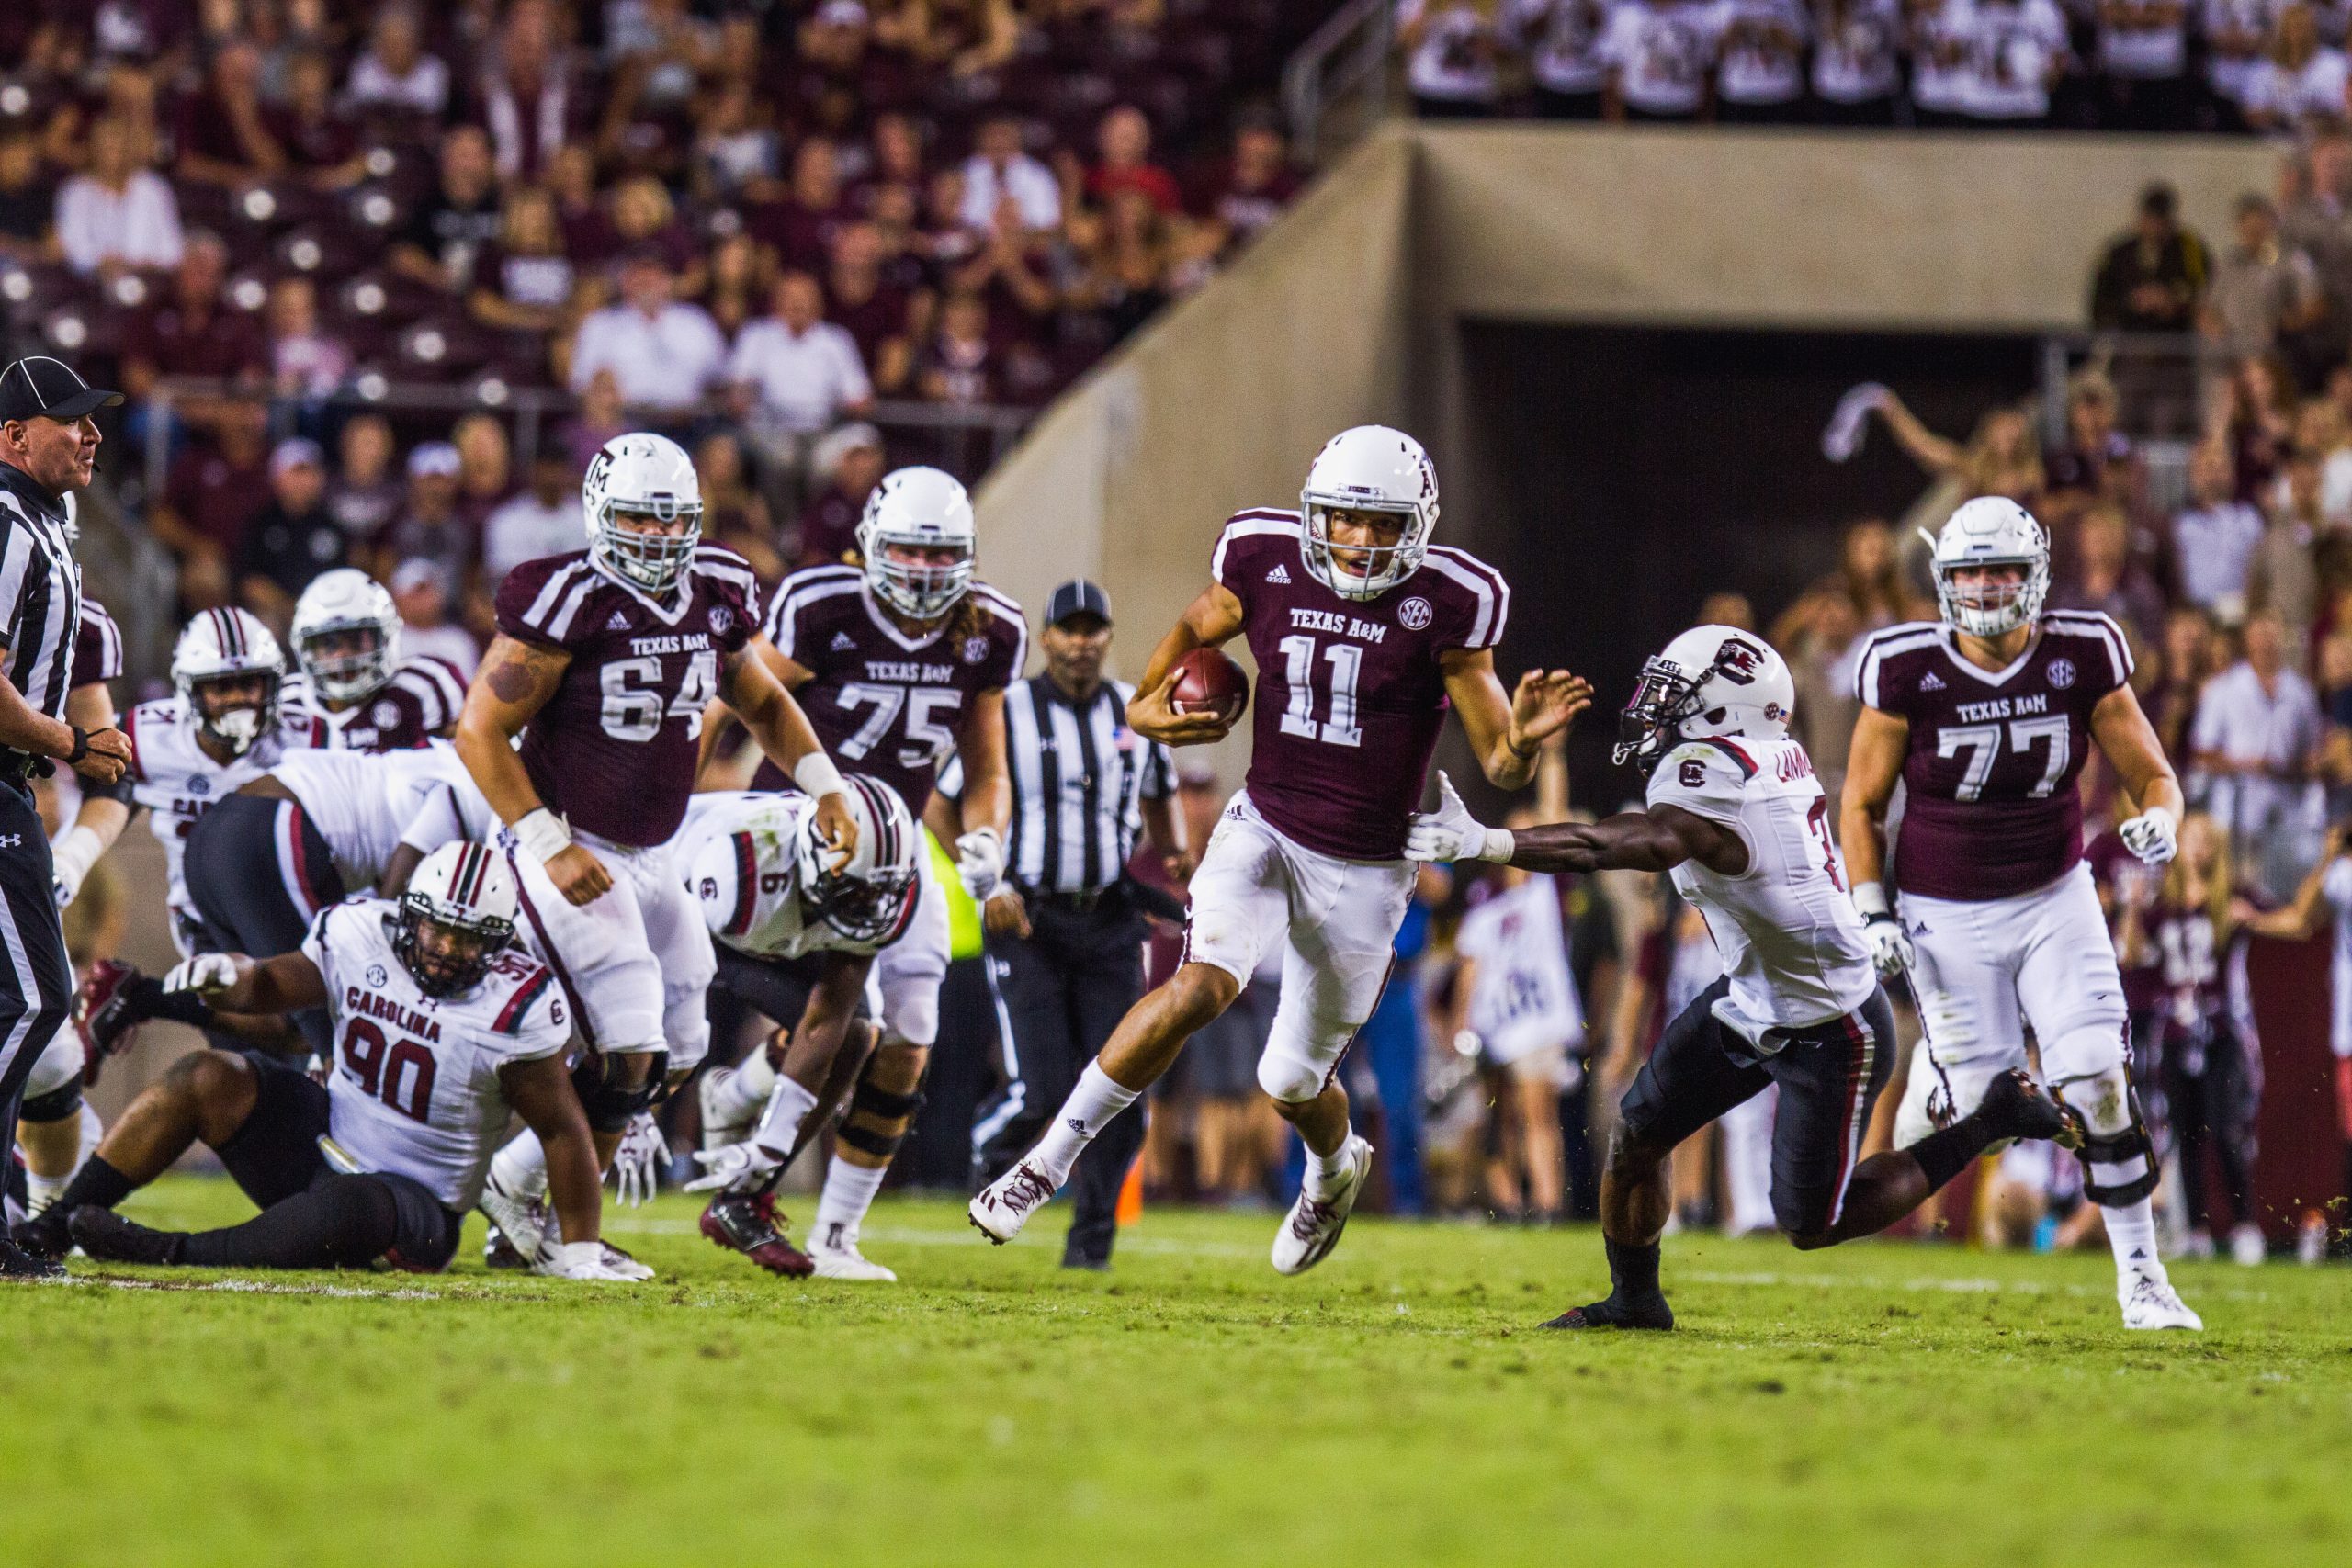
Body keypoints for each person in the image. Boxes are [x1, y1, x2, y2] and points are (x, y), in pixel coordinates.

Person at [970, 425, 1584, 1274]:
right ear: (1314, 514)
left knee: (1290, 1082)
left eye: (1383, 525)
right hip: (1262, 827)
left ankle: (1334, 1170)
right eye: (1344, 520)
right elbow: (1194, 626)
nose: (1361, 542)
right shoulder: (1262, 555)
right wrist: (1146, 704)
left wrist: (1526, 738)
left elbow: (1499, 759)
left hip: (1369, 867)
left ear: (1421, 525)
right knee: (1197, 986)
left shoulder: (1450, 601)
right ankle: (1047, 1163)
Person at [1407, 627, 2079, 1327]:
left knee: (1814, 1221)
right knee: (1638, 1130)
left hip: (1832, 1021)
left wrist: (1491, 841)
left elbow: (1630, 843)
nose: (1654, 710)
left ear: (1728, 709)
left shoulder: (1725, 781)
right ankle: (1636, 1298)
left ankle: (1992, 1116)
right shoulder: (1756, 755)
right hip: (1754, 992)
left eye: (1675, 696)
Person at [456, 432, 856, 1256]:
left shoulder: (717, 586)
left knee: (683, 1039)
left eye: (673, 522)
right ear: (603, 515)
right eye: (639, 520)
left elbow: (765, 703)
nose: (657, 539)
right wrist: (547, 840)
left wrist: (825, 784)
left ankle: (516, 1188)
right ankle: (578, 1240)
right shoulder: (567, 596)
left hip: (653, 851)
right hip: (566, 840)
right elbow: (479, 729)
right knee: (633, 1039)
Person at [1843, 497, 2201, 1330]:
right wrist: (1874, 910)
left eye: (2001, 569)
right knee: (1983, 1121)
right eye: (1969, 571)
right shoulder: (1903, 666)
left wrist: (2164, 820)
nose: (1986, 586)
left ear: (2036, 572)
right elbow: (1858, 804)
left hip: (2052, 894)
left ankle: (2143, 1278)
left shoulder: (2082, 651)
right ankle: (1942, 1078)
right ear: (1943, 579)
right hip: (1945, 912)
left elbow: (2155, 776)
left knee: (2096, 1074)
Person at [19, 844, 639, 1280]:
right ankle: (57, 1222)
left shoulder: (516, 1005)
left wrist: (579, 1249)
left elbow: (561, 1127)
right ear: (409, 916)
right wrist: (227, 975)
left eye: (470, 938)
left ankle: (166, 1252)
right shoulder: (361, 932)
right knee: (208, 1077)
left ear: (498, 944)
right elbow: (271, 987)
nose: (449, 949)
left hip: (415, 1207)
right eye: (437, 930)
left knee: (354, 1205)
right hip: (324, 1137)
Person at [713, 466, 1022, 1277]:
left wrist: (986, 836)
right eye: (908, 553)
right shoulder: (824, 605)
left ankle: (835, 1231)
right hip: (795, 829)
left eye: (939, 555)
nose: (922, 572)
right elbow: (741, 694)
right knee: (846, 1015)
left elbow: (987, 764)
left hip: (897, 843)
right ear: (869, 550)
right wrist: (687, 787)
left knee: (910, 1031)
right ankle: (742, 1113)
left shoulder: (988, 629)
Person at [965, 580, 1188, 1271]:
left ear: (1108, 637)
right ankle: (987, 1158)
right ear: (1047, 635)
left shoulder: (1134, 709)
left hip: (1110, 920)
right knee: (1043, 1086)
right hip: (1029, 916)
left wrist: (1174, 850)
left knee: (1122, 1092)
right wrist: (989, 880)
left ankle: (1089, 1248)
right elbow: (954, 802)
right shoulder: (1008, 711)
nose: (1082, 642)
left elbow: (1160, 790)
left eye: (1095, 629)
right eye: (1070, 629)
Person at [675, 777, 925, 1277]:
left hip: (776, 913)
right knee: (650, 1052)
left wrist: (769, 1147)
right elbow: (671, 959)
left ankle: (742, 1194)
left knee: (857, 1036)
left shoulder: (887, 892)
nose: (867, 905)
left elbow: (831, 1013)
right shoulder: (742, 868)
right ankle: (527, 1187)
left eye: (879, 890)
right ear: (814, 855)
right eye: (855, 888)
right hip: (691, 910)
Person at [0, 356, 133, 1279]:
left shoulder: (45, 532)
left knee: (35, 1007)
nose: (90, 434)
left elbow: (104, 751)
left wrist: (85, 752)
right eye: (69, 420)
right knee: (38, 1001)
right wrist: (67, 745)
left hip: (17, 784)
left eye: (95, 420)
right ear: (13, 437)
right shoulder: (9, 526)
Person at [2115, 812, 2270, 1265]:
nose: (2199, 848)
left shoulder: (2231, 899)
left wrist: (2255, 918)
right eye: (2192, 839)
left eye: (2206, 839)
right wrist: (2133, 907)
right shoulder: (2162, 903)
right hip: (2176, 1032)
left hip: (2220, 1029)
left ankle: (2244, 1224)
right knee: (2187, 1134)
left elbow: (2290, 919)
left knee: (2226, 1129)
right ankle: (2197, 1228)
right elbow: (2130, 954)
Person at [122, 609, 302, 962]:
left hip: (287, 909)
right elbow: (97, 802)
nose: (237, 698)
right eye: (221, 686)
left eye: (249, 684)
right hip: (202, 917)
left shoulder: (305, 737)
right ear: (190, 690)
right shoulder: (145, 738)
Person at [277, 569, 468, 751]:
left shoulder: (426, 687)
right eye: (328, 644)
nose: (341, 655)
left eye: (356, 640)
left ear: (386, 638)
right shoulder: (287, 705)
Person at [569, 253, 729, 421]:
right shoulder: (600, 324)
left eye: (653, 275)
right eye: (638, 275)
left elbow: (722, 378)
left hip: (689, 421)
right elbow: (580, 383)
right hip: (626, 420)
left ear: (667, 281)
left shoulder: (696, 322)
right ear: (624, 282)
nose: (646, 282)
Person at [233, 438, 347, 628]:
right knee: (265, 626)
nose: (304, 481)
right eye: (297, 473)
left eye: (311, 473)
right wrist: (291, 609)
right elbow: (250, 583)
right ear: (277, 477)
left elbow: (343, 581)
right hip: (275, 612)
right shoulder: (261, 523)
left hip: (322, 617)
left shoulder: (333, 526)